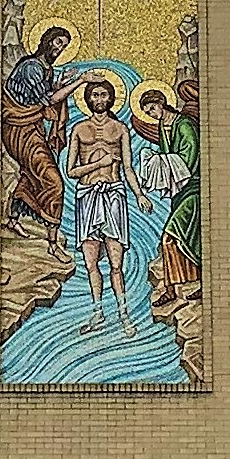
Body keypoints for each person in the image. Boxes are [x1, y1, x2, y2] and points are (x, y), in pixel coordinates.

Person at [66, 78, 148, 336]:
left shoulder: (120, 129)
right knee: (91, 262)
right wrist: (98, 163)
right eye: (95, 95)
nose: (99, 99)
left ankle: (124, 314)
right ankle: (98, 312)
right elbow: (71, 171)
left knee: (115, 263)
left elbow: (127, 167)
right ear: (88, 99)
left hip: (114, 196)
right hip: (87, 196)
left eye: (104, 95)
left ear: (111, 98)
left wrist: (139, 194)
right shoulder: (79, 129)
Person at [1, 26, 93, 255]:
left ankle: (12, 219)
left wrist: (61, 82)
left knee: (32, 173)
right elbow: (47, 101)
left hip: (31, 127)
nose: (60, 48)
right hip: (19, 129)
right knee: (54, 182)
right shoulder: (31, 67)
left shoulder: (46, 69)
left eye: (64, 45)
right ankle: (52, 244)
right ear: (46, 40)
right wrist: (80, 81)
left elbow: (46, 93)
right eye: (58, 42)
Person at [131, 82, 201, 304]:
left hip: (193, 189)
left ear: (162, 103)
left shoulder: (184, 125)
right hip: (179, 193)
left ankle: (187, 285)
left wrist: (163, 162)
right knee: (183, 238)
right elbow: (165, 155)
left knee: (171, 238)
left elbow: (189, 157)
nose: (151, 114)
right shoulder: (163, 127)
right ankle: (174, 289)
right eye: (147, 112)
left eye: (152, 108)